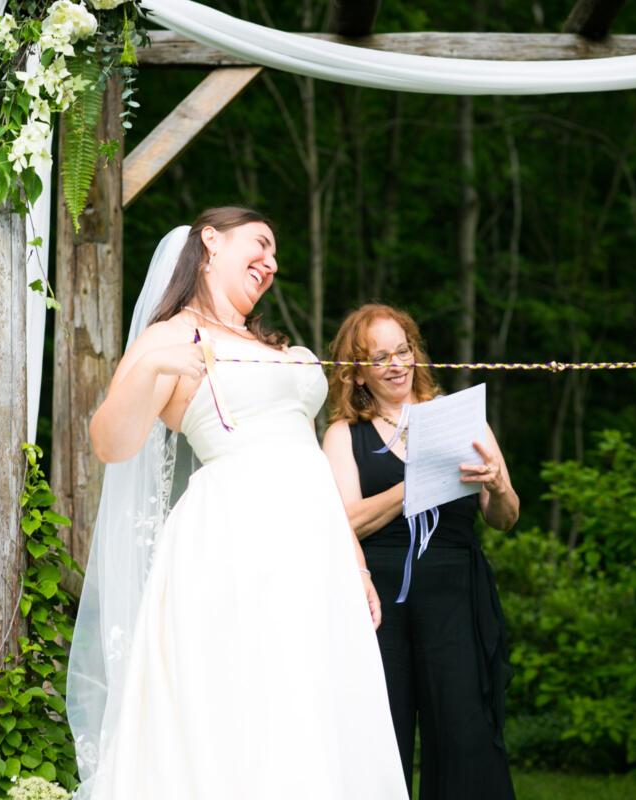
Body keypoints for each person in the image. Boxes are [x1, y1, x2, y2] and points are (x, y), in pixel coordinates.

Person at [65, 208, 407, 800]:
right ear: (210, 242)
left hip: (314, 541)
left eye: (276, 256)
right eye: (261, 244)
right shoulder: (171, 335)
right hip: (235, 536)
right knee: (250, 697)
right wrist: (151, 366)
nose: (272, 263)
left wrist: (354, 560)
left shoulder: (267, 344)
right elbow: (109, 443)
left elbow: (309, 460)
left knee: (316, 698)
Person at [321, 304, 520, 799]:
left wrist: (496, 486)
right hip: (378, 604)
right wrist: (410, 488)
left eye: (402, 350)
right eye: (379, 356)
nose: (395, 364)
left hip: (456, 596)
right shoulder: (345, 435)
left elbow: (506, 517)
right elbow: (340, 521)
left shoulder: (458, 419)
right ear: (357, 372)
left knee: (464, 733)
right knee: (379, 736)